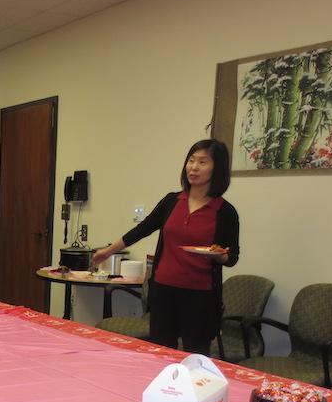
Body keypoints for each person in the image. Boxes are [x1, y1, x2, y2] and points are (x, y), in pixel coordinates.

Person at [92, 139, 240, 355]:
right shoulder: (171, 201)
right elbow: (142, 229)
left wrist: (220, 256)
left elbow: (232, 256)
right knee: (160, 354)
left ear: (217, 168)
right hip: (163, 290)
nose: (194, 167)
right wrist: (108, 251)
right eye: (191, 160)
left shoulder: (226, 212)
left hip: (200, 298)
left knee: (195, 356)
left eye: (202, 162)